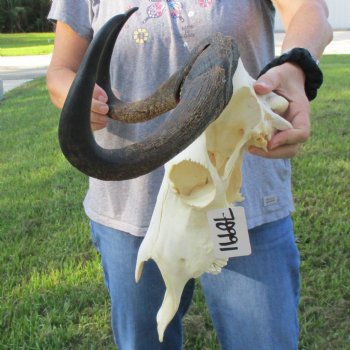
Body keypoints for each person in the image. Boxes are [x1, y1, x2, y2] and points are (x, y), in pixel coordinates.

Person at [47, 1, 332, 349]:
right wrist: (78, 97)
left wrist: (297, 63)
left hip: (238, 199)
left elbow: (309, 10)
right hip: (129, 210)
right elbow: (61, 70)